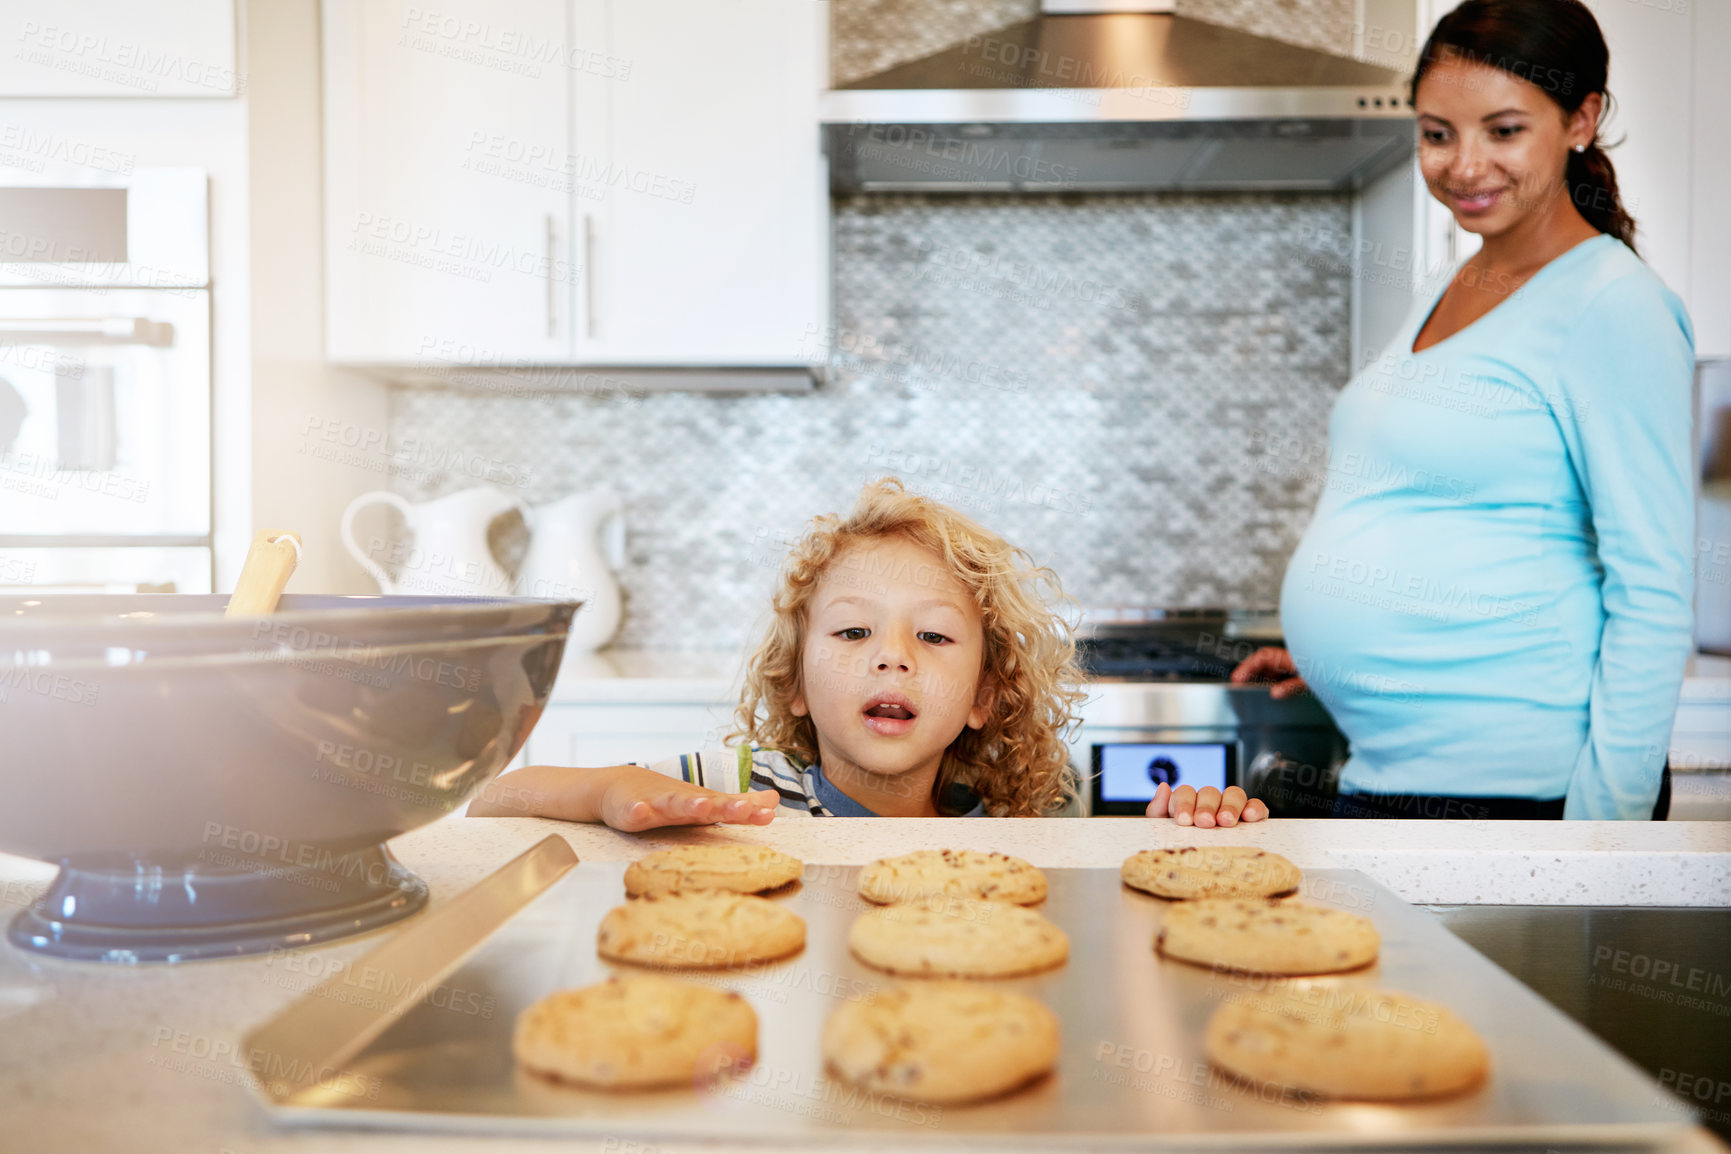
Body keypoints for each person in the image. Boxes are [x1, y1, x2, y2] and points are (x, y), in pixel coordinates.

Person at [1234, 0, 1694, 820]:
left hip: (1514, 790)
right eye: (1437, 133)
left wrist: (1602, 848)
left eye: (1503, 130)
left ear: (1580, 120)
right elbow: (1445, 508)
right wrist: (1364, 661)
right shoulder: (1453, 285)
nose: (1463, 165)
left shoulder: (1610, 306)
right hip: (1391, 772)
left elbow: (1653, 589)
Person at [472, 480, 1269, 828]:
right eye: (853, 632)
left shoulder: (1023, 823)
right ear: (794, 686)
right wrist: (615, 791)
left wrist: (1193, 824)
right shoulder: (739, 795)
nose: (892, 659)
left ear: (984, 696)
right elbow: (494, 800)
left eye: (932, 636)